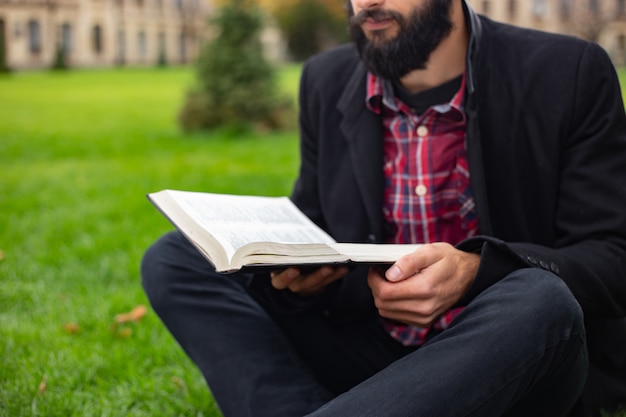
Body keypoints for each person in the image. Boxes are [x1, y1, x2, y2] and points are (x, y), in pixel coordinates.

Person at [141, 0, 626, 415]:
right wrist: (295, 280)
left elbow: (613, 256)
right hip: (377, 350)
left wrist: (475, 271)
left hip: (511, 356)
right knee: (177, 257)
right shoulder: (325, 79)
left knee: (543, 297)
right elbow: (316, 224)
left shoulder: (568, 71)